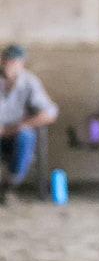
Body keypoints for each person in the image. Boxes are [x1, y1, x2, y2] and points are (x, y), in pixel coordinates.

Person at [0, 43, 59, 203]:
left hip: (14, 134)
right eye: (7, 60)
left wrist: (21, 125)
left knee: (26, 136)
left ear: (21, 63)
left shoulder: (29, 81)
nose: (10, 65)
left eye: (14, 61)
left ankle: (10, 187)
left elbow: (50, 112)